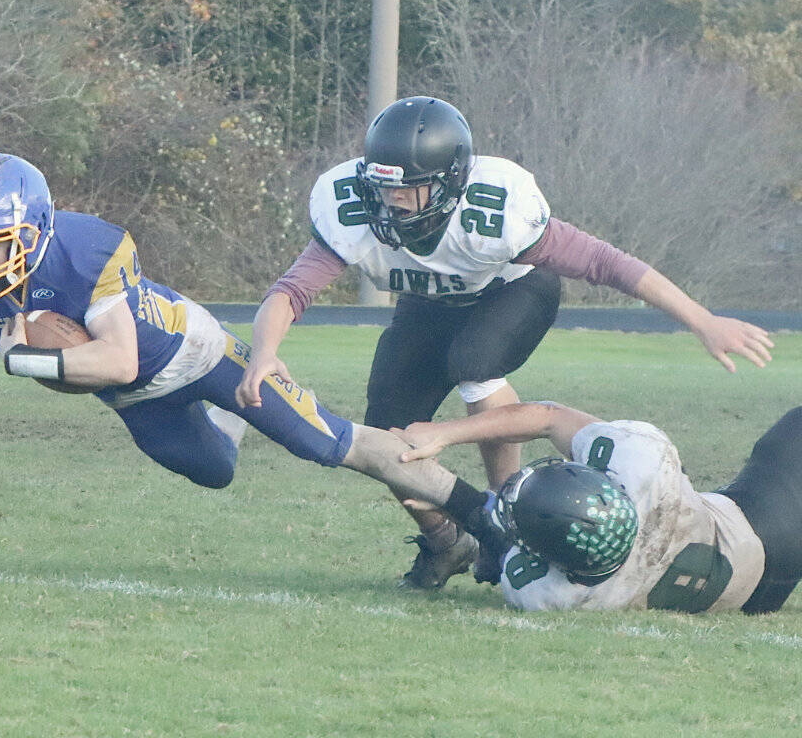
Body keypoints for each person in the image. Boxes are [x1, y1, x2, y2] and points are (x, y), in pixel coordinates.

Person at [237, 95, 774, 590]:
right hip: (427, 308)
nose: (392, 200)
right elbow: (291, 291)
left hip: (513, 293)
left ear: (449, 182)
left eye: (407, 187)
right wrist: (264, 352)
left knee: (476, 362)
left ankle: (508, 523)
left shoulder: (496, 212)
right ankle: (449, 543)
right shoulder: (355, 210)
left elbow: (606, 263)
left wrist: (702, 320)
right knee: (387, 438)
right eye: (382, 185)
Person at [0, 151, 494, 545]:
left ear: (31, 228)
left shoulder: (87, 250)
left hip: (196, 351)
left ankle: (488, 518)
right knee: (214, 471)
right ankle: (231, 423)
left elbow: (116, 355)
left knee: (329, 441)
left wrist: (27, 358)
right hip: (134, 398)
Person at [395, 401, 802, 614]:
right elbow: (550, 417)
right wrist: (445, 434)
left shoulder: (548, 594)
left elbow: (512, 541)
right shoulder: (643, 462)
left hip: (751, 596)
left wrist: (460, 510)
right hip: (766, 527)